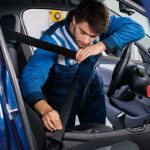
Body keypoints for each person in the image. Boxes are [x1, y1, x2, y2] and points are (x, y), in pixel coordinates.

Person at [20, 0, 145, 132]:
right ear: (74, 20)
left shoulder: (101, 27)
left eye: (93, 36)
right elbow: (30, 76)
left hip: (92, 91)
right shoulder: (53, 39)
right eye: (83, 32)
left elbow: (138, 29)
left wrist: (100, 45)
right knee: (64, 139)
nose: (86, 41)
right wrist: (45, 110)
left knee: (98, 134)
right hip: (62, 101)